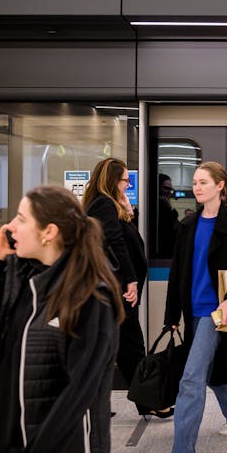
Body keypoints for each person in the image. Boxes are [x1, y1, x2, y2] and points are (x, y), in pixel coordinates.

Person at [0, 186, 124, 453]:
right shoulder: (21, 278)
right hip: (1, 446)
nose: (10, 227)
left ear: (49, 232)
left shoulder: (90, 297)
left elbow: (79, 394)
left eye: (20, 218)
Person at [164, 162, 227, 453]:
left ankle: (182, 451)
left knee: (191, 378)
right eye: (194, 182)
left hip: (215, 313)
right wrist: (172, 315)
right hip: (191, 311)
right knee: (214, 369)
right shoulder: (188, 225)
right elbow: (177, 272)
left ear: (220, 186)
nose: (197, 187)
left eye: (203, 182)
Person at [82, 158, 159, 417]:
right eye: (126, 180)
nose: (128, 184)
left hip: (114, 286)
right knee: (131, 345)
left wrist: (128, 213)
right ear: (113, 180)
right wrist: (131, 280)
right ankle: (148, 401)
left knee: (106, 347)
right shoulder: (104, 204)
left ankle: (91, 402)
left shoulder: (106, 205)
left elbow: (126, 239)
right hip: (118, 288)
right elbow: (115, 243)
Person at [157, 173, 180, 258]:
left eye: (170, 189)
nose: (169, 193)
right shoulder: (154, 213)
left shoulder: (169, 211)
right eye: (165, 188)